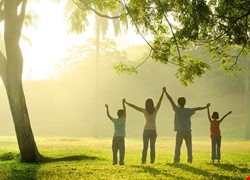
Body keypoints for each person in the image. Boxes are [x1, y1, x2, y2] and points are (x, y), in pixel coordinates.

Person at [164, 89, 210, 163]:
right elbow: (197, 108)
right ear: (185, 103)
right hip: (188, 130)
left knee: (178, 146)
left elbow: (170, 100)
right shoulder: (188, 110)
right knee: (189, 147)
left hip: (180, 131)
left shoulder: (177, 109)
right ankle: (190, 160)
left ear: (178, 103)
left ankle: (176, 160)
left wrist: (165, 92)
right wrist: (206, 107)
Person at [125, 88, 165, 164]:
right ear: (152, 104)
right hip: (153, 130)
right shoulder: (155, 110)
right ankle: (152, 161)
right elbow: (160, 101)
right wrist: (163, 92)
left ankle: (143, 161)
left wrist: (126, 102)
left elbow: (134, 106)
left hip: (146, 130)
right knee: (152, 147)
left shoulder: (144, 110)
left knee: (145, 147)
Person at [105, 99, 126, 165]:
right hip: (121, 137)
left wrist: (107, 108)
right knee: (122, 150)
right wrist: (123, 103)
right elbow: (125, 111)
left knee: (114, 150)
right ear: (122, 114)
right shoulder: (123, 119)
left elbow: (108, 116)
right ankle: (121, 161)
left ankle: (114, 161)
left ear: (117, 115)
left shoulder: (115, 120)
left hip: (115, 137)